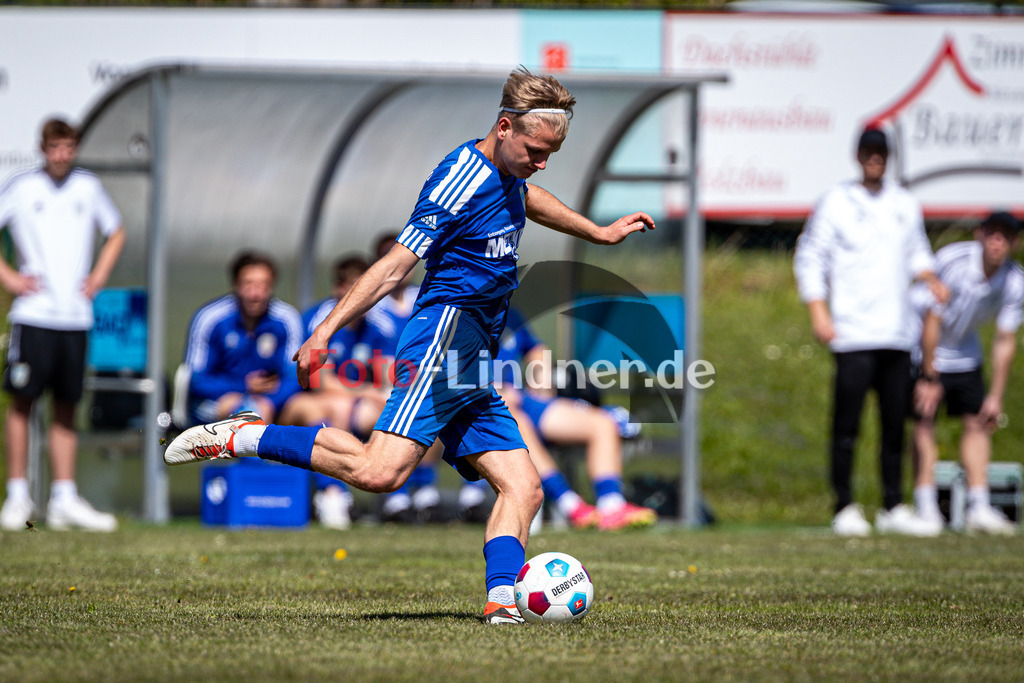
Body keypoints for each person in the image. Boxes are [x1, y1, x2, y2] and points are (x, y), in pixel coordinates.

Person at [165, 66, 654, 624]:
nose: (542, 163)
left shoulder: (509, 172)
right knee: (380, 473)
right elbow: (396, 264)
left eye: (551, 154)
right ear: (504, 126)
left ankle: (501, 604)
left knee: (523, 487)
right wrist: (323, 332)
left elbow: (527, 195)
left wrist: (598, 232)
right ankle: (247, 436)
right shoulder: (458, 181)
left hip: (473, 359)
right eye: (536, 150)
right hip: (440, 344)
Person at [794, 126, 949, 537]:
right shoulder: (836, 202)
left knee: (895, 425)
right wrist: (818, 311)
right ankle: (844, 505)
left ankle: (893, 505)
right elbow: (810, 257)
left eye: (881, 152)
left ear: (889, 156)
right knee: (847, 425)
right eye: (868, 151)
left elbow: (918, 252)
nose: (874, 158)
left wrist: (931, 278)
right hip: (853, 332)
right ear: (858, 155)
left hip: (898, 333)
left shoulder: (904, 203)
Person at [0, 117, 126, 532]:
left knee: (67, 406)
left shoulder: (87, 187)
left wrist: (99, 276)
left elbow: (116, 231)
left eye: (69, 147)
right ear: (42, 148)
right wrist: (12, 279)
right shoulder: (21, 188)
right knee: (22, 402)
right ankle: (18, 496)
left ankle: (64, 497)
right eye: (55, 147)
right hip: (34, 316)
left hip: (75, 318)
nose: (62, 155)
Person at [491, 306, 656, 530]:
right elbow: (446, 368)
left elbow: (535, 349)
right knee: (513, 418)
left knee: (602, 423)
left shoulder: (510, 312)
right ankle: (570, 505)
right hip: (484, 407)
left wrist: (541, 378)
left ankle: (612, 507)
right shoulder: (457, 316)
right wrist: (491, 389)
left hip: (523, 400)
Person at [911, 211, 1023, 535]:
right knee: (924, 421)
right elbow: (931, 320)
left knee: (978, 422)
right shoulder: (953, 260)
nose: (998, 242)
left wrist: (996, 396)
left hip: (965, 352)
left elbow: (1005, 339)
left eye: (1006, 236)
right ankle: (926, 506)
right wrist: (929, 375)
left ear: (1014, 242)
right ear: (981, 235)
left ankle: (978, 505)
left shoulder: (1015, 281)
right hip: (923, 344)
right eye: (993, 234)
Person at [281, 254, 387, 529]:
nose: (366, 297)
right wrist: (368, 391)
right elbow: (319, 382)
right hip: (300, 403)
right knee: (333, 407)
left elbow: (389, 375)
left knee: (392, 411)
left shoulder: (378, 325)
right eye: (358, 288)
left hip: (352, 403)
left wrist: (380, 394)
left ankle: (401, 497)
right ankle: (332, 494)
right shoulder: (318, 320)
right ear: (340, 289)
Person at [365, 232, 445, 524]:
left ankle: (425, 491)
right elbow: (377, 359)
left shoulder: (428, 295)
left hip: (420, 378)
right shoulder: (371, 305)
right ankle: (396, 496)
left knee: (436, 401)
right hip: (379, 385)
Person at [182, 251, 303, 427]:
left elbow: (295, 377)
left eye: (263, 285)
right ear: (235, 285)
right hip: (216, 400)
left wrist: (270, 402)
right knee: (250, 415)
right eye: (249, 284)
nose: (256, 294)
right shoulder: (210, 318)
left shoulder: (287, 319)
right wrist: (243, 386)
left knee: (320, 410)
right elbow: (195, 380)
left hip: (272, 401)